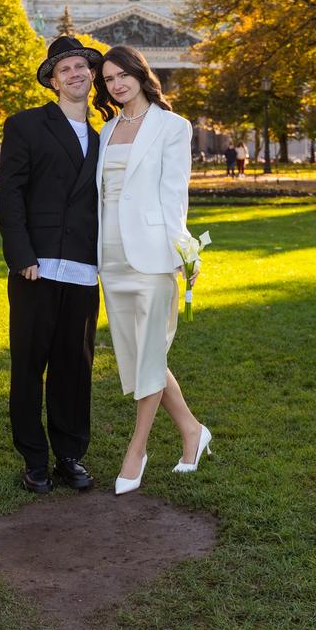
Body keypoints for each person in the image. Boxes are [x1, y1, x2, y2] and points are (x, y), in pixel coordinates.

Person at [94, 45, 210, 495]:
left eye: (123, 75)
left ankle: (136, 449)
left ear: (141, 75)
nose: (117, 84)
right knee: (136, 355)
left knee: (150, 355)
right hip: (110, 257)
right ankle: (193, 431)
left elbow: (174, 196)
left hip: (152, 256)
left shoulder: (172, 127)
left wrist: (184, 253)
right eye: (109, 79)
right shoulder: (106, 130)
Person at [0, 36, 104, 494]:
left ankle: (70, 455)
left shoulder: (104, 137)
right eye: (65, 69)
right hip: (36, 268)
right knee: (29, 366)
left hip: (83, 268)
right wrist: (21, 256)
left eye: (81, 67)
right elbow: (10, 194)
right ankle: (34, 460)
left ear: (92, 75)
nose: (75, 74)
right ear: (53, 81)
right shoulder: (26, 125)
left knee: (74, 368)